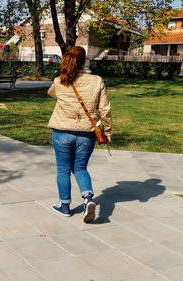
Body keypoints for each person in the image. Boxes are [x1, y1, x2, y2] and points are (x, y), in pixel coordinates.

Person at [46, 46, 112, 223]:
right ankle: (88, 199)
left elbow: (51, 93)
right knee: (80, 168)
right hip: (86, 133)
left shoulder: (59, 81)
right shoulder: (96, 81)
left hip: (61, 131)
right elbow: (105, 109)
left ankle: (64, 206)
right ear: (84, 61)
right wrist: (108, 131)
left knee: (63, 170)